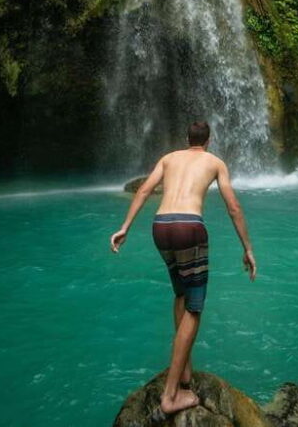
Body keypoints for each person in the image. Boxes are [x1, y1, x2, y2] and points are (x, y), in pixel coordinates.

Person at [110, 120, 257, 416]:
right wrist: (248, 248)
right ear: (208, 140)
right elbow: (233, 207)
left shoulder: (169, 158)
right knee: (194, 306)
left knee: (180, 294)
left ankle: (185, 369)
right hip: (189, 227)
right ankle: (171, 394)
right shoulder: (215, 162)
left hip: (160, 227)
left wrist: (124, 227)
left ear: (186, 138)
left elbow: (142, 192)